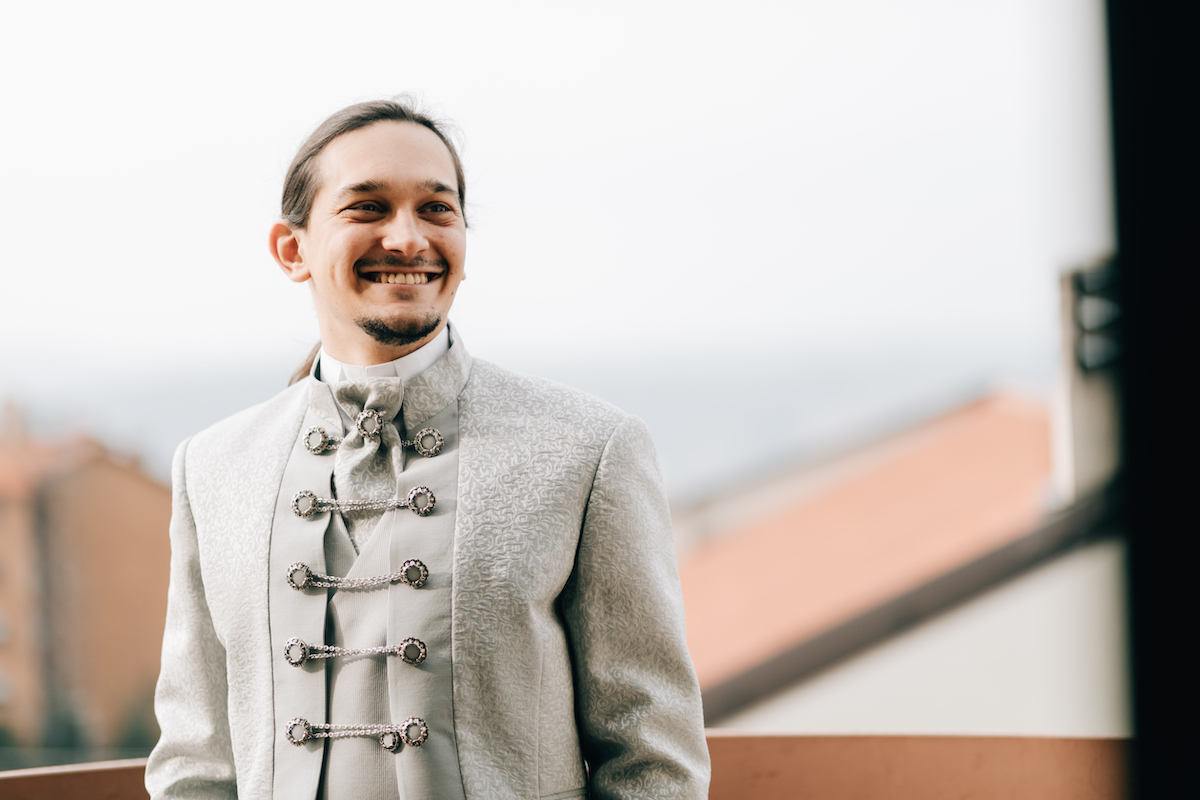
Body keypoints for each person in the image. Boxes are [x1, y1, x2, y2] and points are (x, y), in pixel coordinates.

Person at [144, 99, 710, 800]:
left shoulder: (589, 450)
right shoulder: (212, 467)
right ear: (293, 251)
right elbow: (195, 765)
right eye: (368, 208)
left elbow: (653, 759)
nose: (409, 238)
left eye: (437, 210)